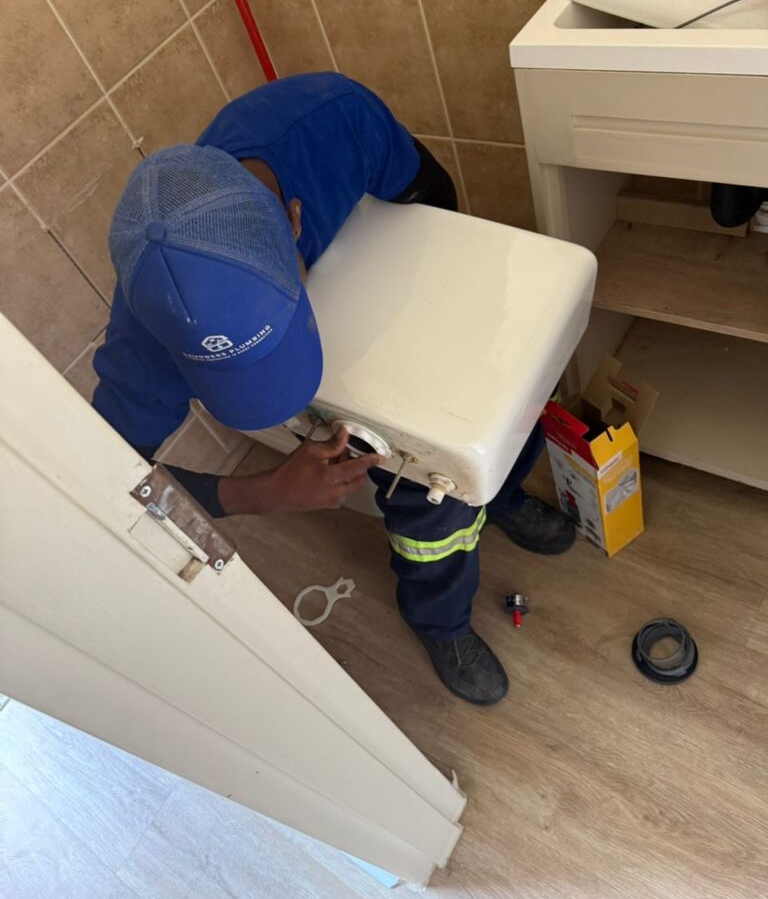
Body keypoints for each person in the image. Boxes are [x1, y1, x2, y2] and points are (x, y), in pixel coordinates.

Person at [93, 72, 575, 707]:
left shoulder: (332, 122)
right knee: (426, 504)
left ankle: (502, 493)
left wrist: (453, 337)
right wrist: (261, 492)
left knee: (496, 402)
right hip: (345, 384)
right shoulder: (148, 337)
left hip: (399, 293)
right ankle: (440, 622)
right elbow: (108, 481)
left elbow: (431, 200)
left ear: (296, 220)